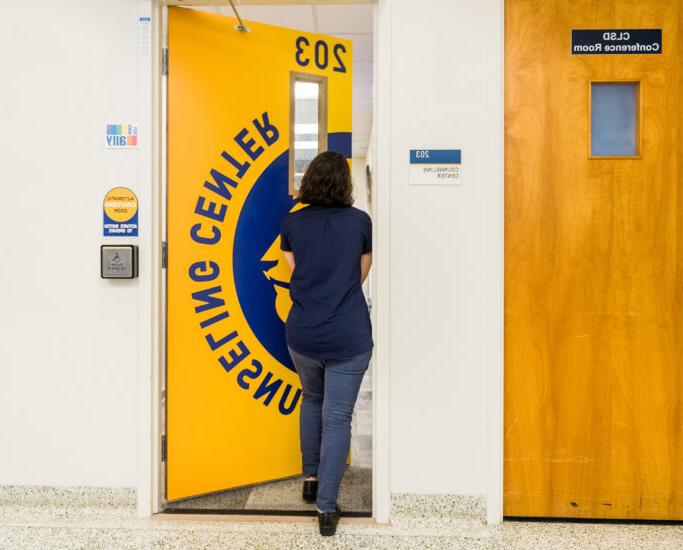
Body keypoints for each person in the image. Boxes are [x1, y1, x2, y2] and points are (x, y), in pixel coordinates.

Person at [280, 151, 373, 537]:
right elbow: (361, 275)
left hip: (303, 333)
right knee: (337, 417)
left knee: (311, 399)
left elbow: (296, 270)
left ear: (310, 181)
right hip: (348, 333)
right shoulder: (360, 223)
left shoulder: (292, 223)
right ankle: (326, 509)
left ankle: (311, 477)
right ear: (345, 184)